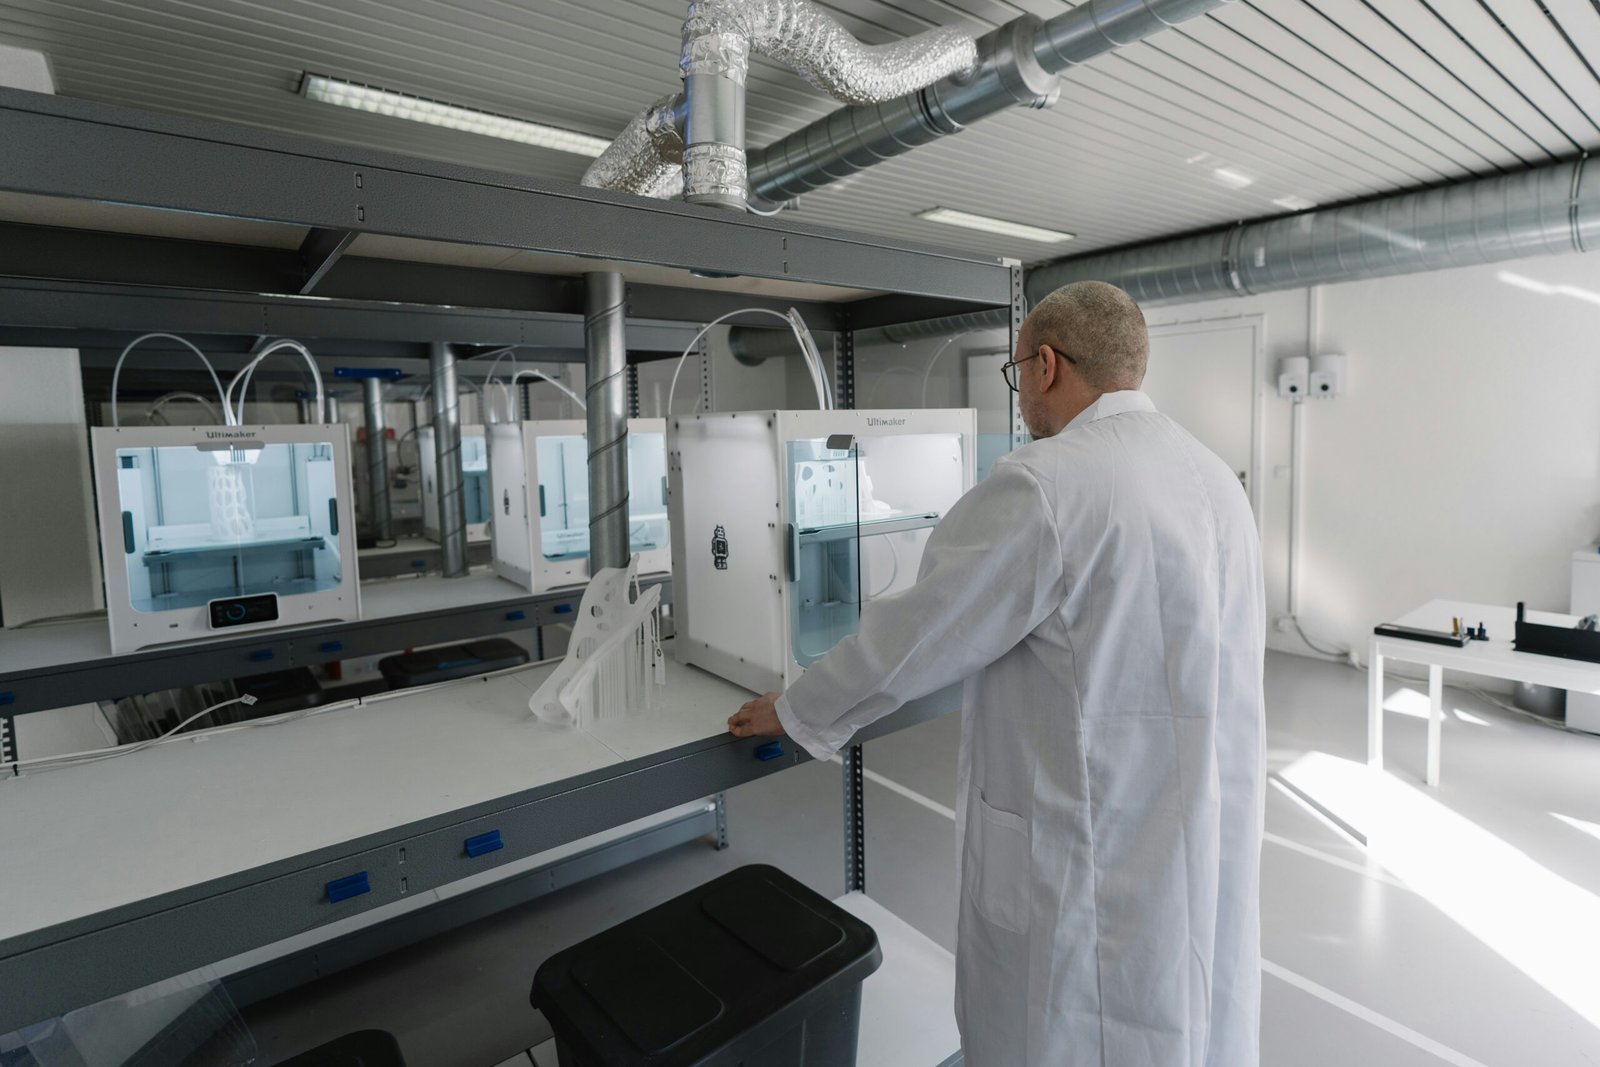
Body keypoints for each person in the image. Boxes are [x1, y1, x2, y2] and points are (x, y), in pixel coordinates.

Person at [727, 281, 1266, 1066]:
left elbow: (917, 633)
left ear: (1046, 365)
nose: (1021, 405)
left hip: (1085, 840)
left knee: (1070, 1021)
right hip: (1193, 827)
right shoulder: (1217, 481)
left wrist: (800, 704)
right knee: (1181, 1006)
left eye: (1018, 377)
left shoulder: (1047, 481)